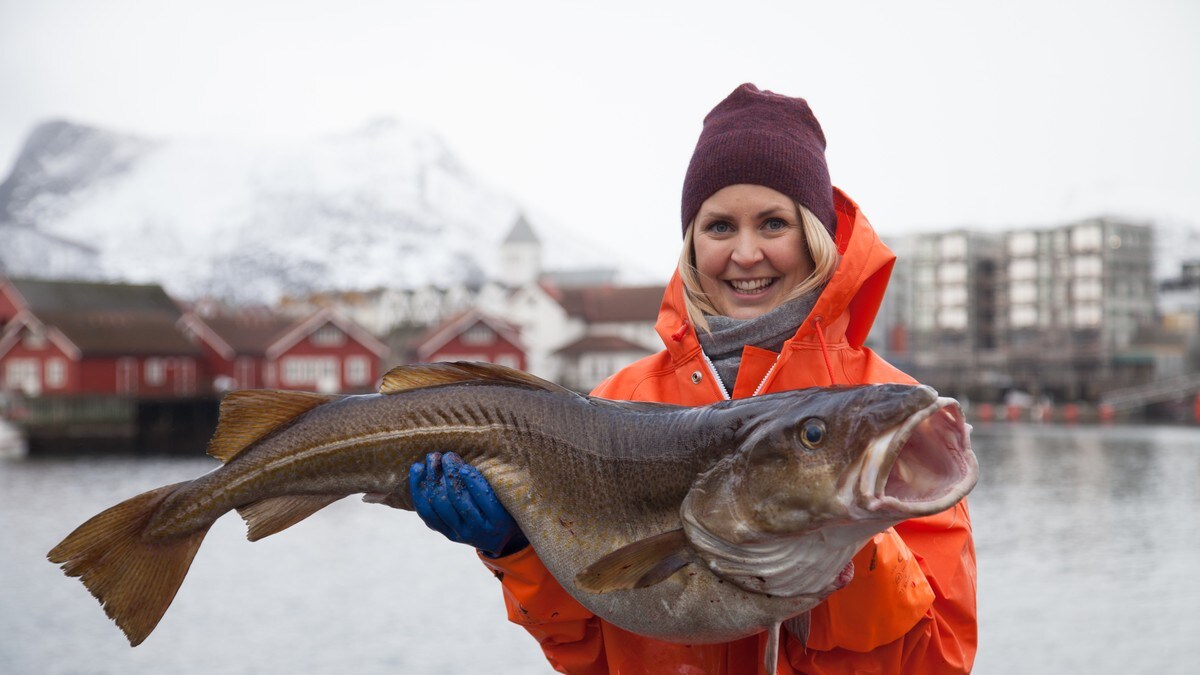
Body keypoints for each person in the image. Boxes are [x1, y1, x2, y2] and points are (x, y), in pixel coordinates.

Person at [408, 83, 977, 674]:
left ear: (816, 238)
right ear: (692, 242)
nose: (746, 253)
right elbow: (591, 658)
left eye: (774, 223)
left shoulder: (891, 427)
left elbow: (940, 660)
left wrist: (844, 537)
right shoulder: (617, 404)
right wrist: (517, 552)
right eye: (720, 226)